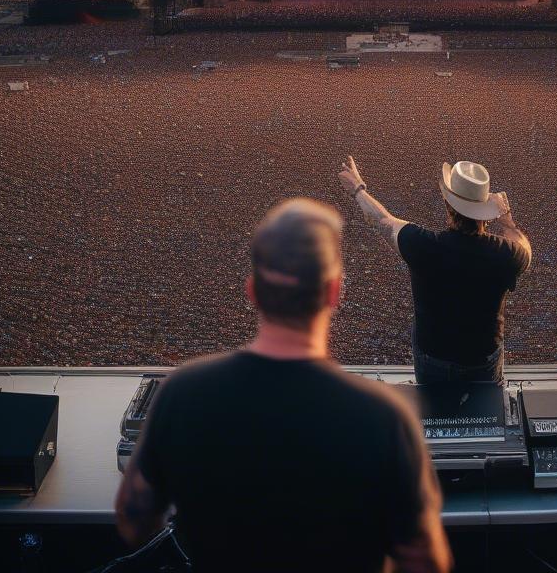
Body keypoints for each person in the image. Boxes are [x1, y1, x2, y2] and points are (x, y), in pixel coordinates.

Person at [115, 198, 451, 573]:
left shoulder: (184, 393)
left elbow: (134, 516)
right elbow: (424, 560)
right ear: (333, 292)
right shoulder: (383, 417)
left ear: (253, 291)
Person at [338, 157, 531, 384]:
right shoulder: (506, 254)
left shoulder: (424, 245)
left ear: (448, 205)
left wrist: (358, 189)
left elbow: (383, 221)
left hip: (433, 358)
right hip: (481, 360)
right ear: (485, 211)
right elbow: (525, 248)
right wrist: (507, 221)